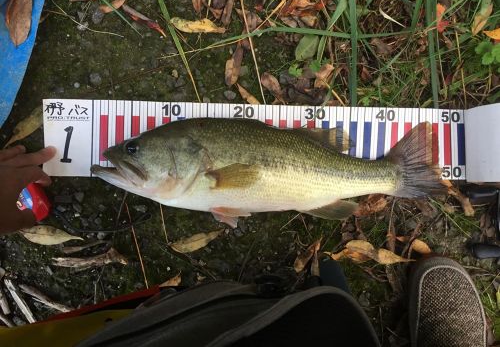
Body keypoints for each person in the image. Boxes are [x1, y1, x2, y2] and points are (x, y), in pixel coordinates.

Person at [0, 146, 489, 346]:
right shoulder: (198, 177)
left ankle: (395, 173)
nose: (122, 158)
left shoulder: (206, 173)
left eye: (134, 152)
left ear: (188, 158)